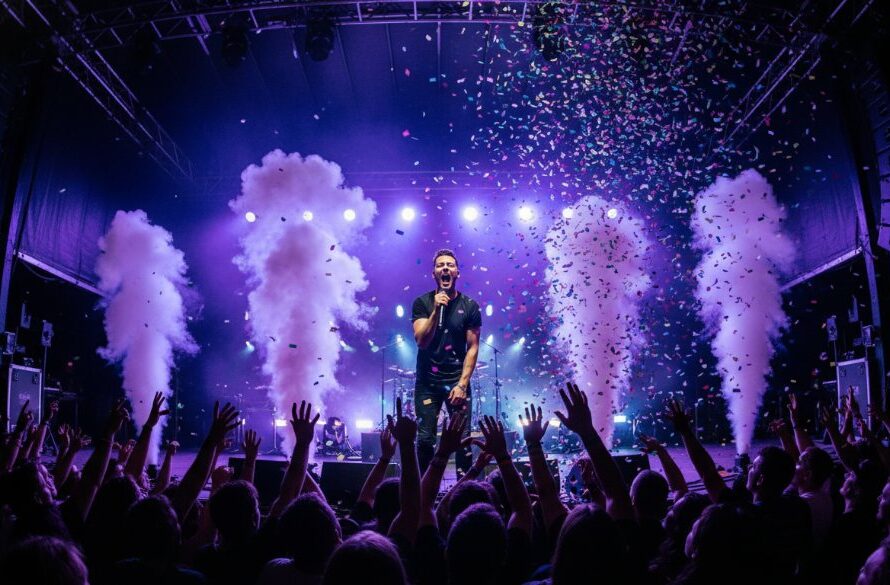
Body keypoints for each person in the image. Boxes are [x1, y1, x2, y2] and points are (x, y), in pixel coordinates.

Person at [411, 248, 482, 474]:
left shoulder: (470, 306)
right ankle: (424, 492)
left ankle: (464, 492)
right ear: (434, 273)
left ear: (457, 273)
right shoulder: (422, 303)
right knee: (424, 440)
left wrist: (462, 385)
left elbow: (472, 348)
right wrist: (436, 310)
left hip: (456, 382)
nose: (445, 268)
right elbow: (422, 340)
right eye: (440, 265)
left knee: (463, 441)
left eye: (450, 265)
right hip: (427, 383)